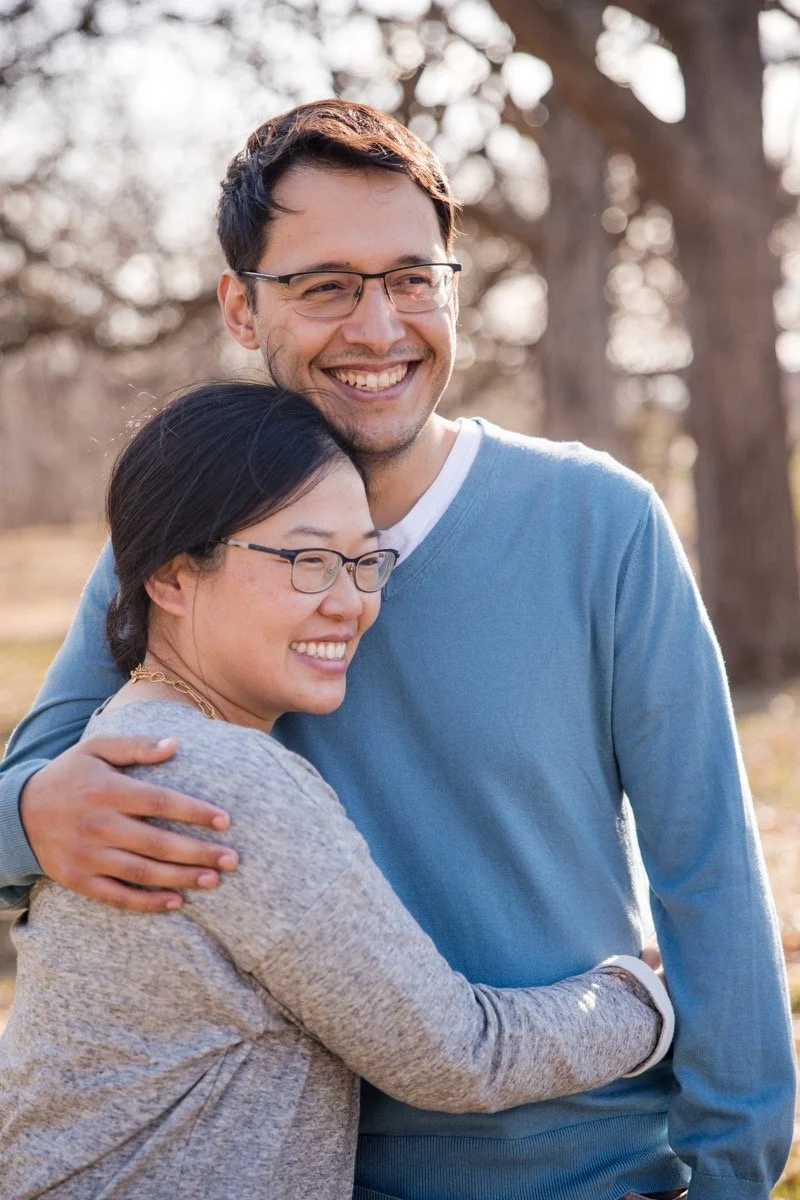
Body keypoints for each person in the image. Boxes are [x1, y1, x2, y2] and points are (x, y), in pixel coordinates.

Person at [0, 100, 795, 1200]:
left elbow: (705, 865)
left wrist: (734, 1169)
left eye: (411, 279)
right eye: (325, 285)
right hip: (318, 1169)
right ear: (240, 305)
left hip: (586, 1164)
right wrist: (36, 813)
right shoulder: (193, 546)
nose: (378, 329)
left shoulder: (596, 523)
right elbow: (27, 792)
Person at [0, 381, 672, 1199]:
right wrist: (646, 1002)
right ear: (173, 578)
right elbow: (457, 1054)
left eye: (364, 560)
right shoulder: (224, 781)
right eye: (308, 560)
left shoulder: (117, 737)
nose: (352, 602)